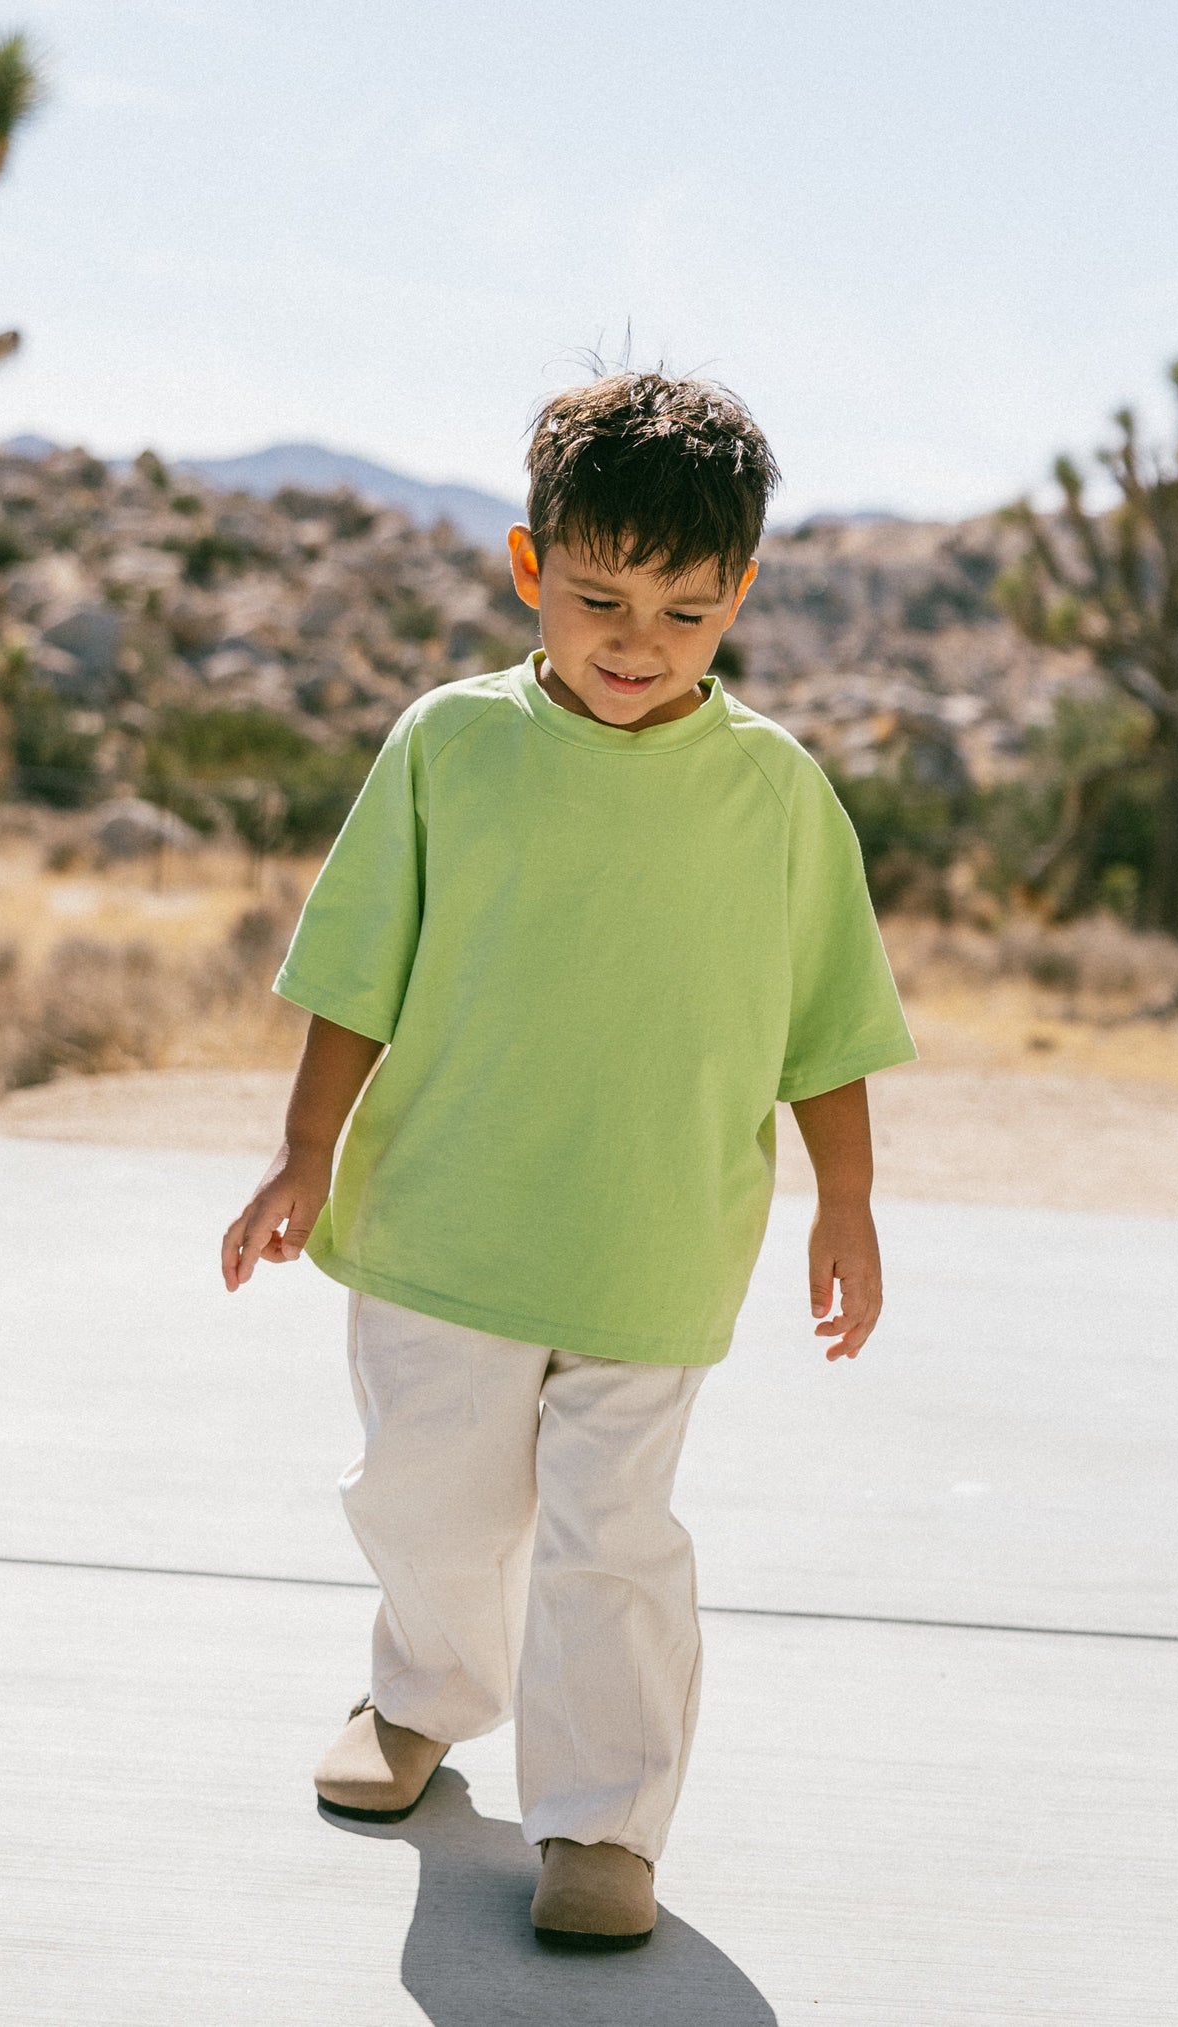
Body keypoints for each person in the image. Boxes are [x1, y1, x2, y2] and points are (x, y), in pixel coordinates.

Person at [221, 371, 916, 1951]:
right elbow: (355, 972)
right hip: (439, 1226)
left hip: (652, 1242)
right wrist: (299, 1154)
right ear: (530, 567)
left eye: (683, 609)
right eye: (598, 596)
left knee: (615, 1544)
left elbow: (830, 1025)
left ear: (740, 590)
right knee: (429, 1506)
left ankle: (602, 1823)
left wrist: (850, 1205)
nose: (634, 639)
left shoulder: (779, 796)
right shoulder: (447, 745)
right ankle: (418, 1699)